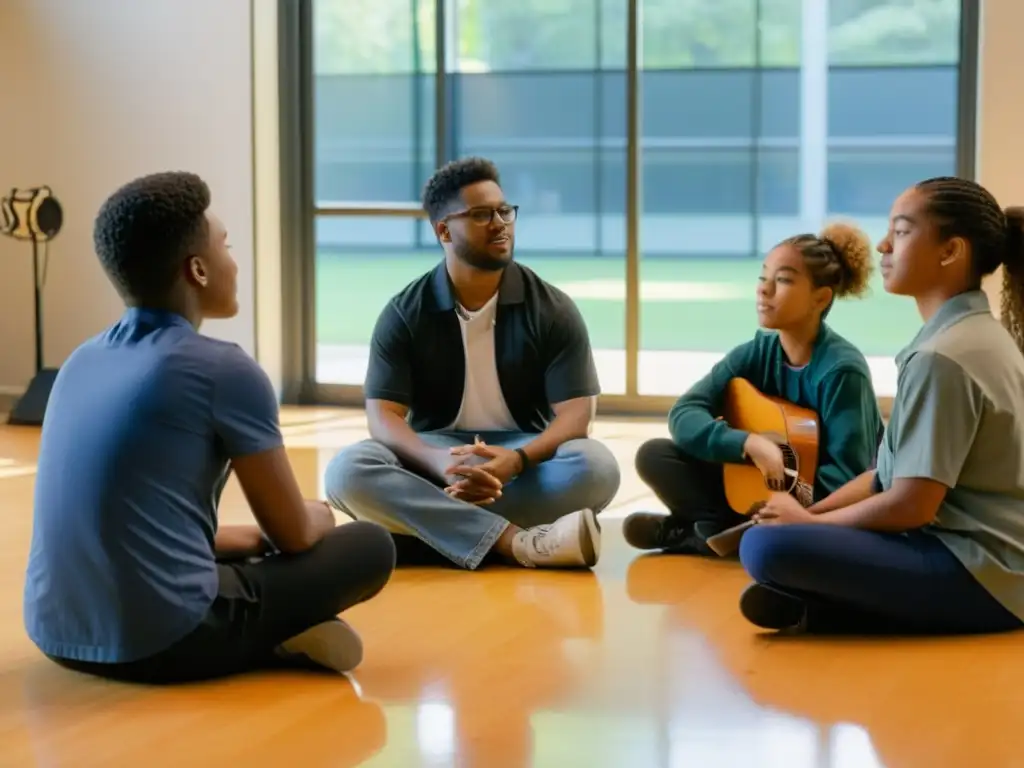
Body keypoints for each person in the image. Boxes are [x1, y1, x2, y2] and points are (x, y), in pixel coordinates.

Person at [23, 171, 396, 684]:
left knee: (248, 548)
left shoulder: (80, 360)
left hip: (54, 633)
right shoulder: (223, 369)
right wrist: (320, 516)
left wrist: (246, 538)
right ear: (197, 270)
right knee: (371, 545)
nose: (234, 261)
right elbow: (292, 534)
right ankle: (272, 637)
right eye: (226, 246)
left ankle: (282, 635)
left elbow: (119, 523)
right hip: (164, 643)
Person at [739, 176, 1024, 636]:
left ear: (950, 251)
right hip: (996, 568)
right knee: (780, 535)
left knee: (764, 549)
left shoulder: (944, 357)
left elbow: (910, 506)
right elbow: (886, 476)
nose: (883, 244)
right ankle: (825, 607)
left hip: (983, 581)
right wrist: (807, 516)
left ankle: (832, 609)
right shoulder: (969, 336)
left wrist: (809, 529)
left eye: (903, 231)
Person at [324, 157, 620, 570]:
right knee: (346, 471)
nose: (500, 223)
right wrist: (436, 462)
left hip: (522, 458)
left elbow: (576, 417)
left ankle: (429, 532)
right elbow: (383, 416)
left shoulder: (553, 309)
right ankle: (517, 542)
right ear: (443, 230)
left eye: (504, 211)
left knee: (597, 466)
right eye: (481, 214)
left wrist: (517, 461)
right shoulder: (405, 312)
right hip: (437, 458)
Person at [623, 222, 883, 556]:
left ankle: (701, 534)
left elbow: (848, 476)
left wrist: (789, 502)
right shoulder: (757, 352)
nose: (764, 290)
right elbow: (684, 413)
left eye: (784, 280)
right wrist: (750, 444)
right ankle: (719, 532)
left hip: (817, 503)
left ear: (820, 298)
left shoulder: (843, 369)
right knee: (655, 455)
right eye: (763, 278)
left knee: (782, 543)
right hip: (755, 488)